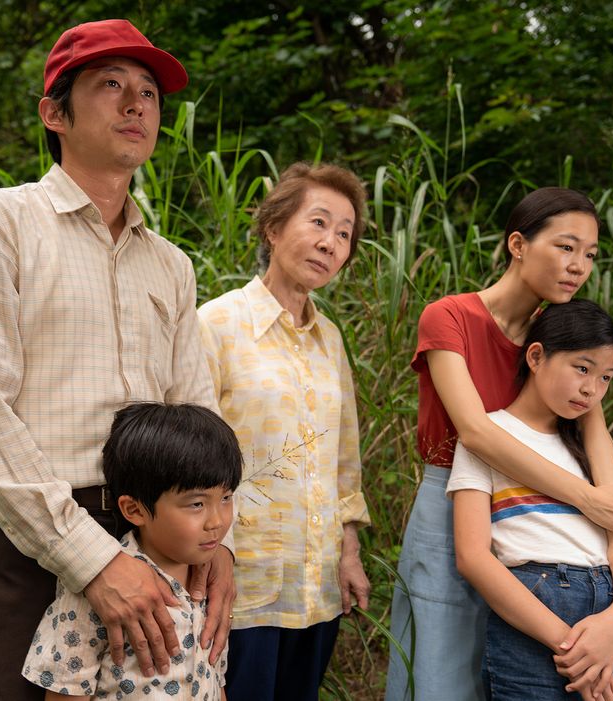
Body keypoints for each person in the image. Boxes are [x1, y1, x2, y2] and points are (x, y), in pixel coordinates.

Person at [0, 19, 233, 701]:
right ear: (55, 113)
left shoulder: (170, 263)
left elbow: (196, 413)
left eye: (149, 93)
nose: (138, 104)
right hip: (30, 540)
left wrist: (218, 541)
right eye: (111, 86)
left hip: (162, 535)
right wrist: (94, 559)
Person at [384, 187, 613, 701]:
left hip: (539, 520)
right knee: (440, 675)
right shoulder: (450, 317)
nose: (579, 266)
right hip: (457, 501)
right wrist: (591, 500)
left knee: (511, 672)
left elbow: (593, 431)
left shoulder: (561, 338)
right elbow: (477, 433)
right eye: (566, 247)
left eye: (590, 254)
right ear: (518, 244)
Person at [198, 162, 371, 701]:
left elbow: (344, 457)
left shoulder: (331, 339)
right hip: (239, 584)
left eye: (344, 234)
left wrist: (349, 552)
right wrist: (206, 559)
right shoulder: (217, 325)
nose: (330, 243)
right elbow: (192, 459)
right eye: (318, 223)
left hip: (317, 587)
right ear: (274, 228)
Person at [449, 299, 613, 701]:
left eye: (606, 377)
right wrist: (570, 644)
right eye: (582, 368)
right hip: (535, 615)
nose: (592, 389)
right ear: (536, 356)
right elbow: (473, 557)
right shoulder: (491, 438)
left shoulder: (604, 452)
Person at [23, 402, 241, 700]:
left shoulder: (214, 589)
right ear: (134, 509)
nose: (217, 521)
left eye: (226, 497)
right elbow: (67, 690)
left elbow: (216, 677)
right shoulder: (97, 595)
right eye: (197, 504)